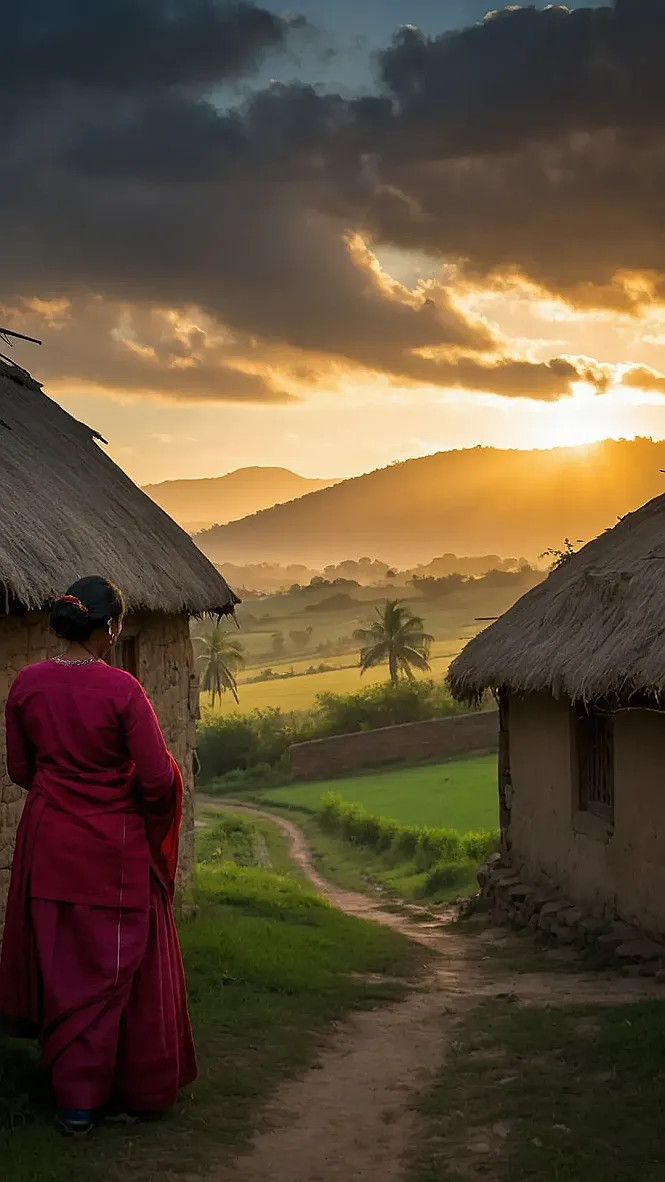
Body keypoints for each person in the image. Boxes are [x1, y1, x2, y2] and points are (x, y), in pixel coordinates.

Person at [0, 576, 197, 1135]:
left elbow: (21, 770)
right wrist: (133, 799)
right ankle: (129, 1089)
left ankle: (74, 1103)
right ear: (109, 629)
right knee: (116, 966)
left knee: (63, 968)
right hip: (113, 851)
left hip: (49, 847)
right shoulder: (122, 691)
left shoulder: (27, 683)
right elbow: (158, 779)